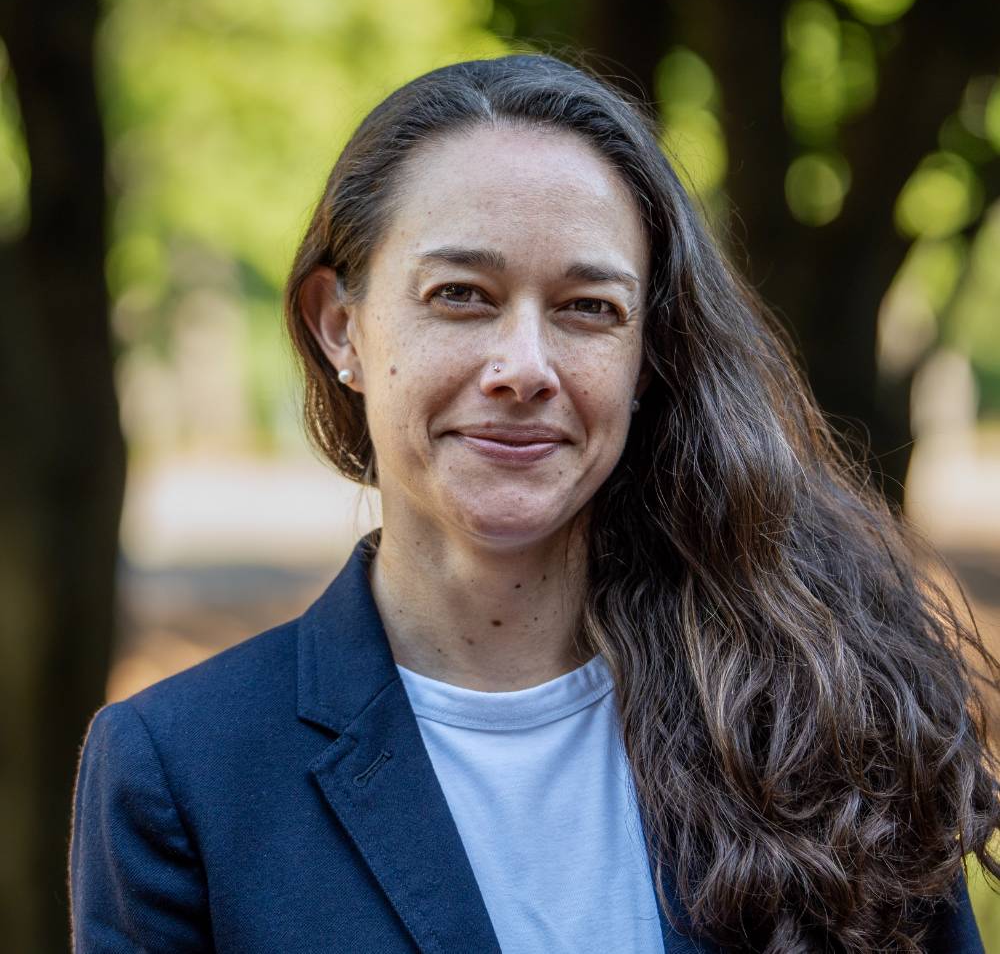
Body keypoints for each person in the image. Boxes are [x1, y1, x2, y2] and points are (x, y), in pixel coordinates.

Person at [69, 53, 999, 953]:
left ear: (648, 356)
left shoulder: (831, 713)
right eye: (462, 295)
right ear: (340, 327)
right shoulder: (180, 770)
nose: (524, 368)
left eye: (588, 307)